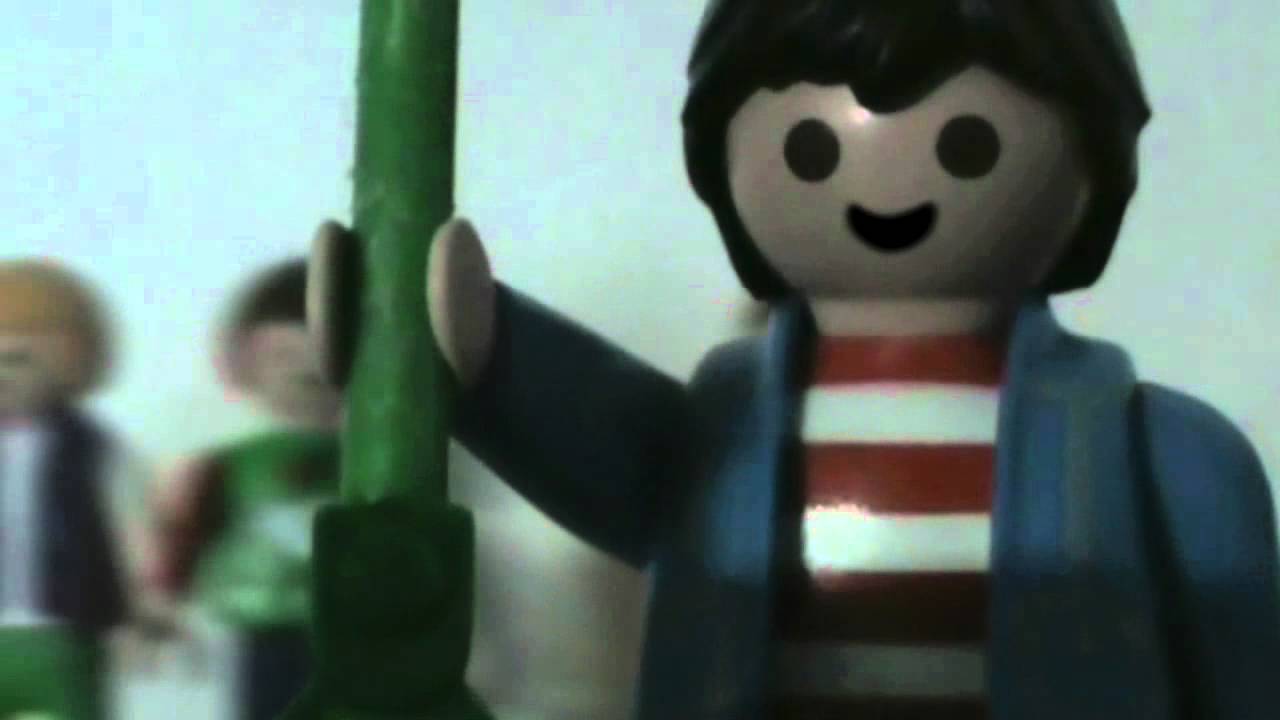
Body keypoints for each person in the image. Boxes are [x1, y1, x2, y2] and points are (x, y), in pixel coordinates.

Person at [312, 1, 1280, 718]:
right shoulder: (726, 428)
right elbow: (615, 448)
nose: (887, 184)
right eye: (811, 150)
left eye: (969, 144)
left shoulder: (1165, 453)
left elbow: (1240, 667)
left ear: (1090, 162)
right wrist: (469, 338)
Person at [146, 259, 341, 720]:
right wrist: (161, 612)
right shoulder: (230, 466)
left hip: (354, 625)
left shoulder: (372, 460)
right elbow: (188, 534)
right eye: (284, 355)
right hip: (259, 623)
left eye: (324, 352)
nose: (304, 370)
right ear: (246, 360)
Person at [0, 258, 151, 719]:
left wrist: (142, 615)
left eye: (18, 358)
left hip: (69, 634)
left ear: (71, 358)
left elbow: (129, 533)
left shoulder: (94, 450)